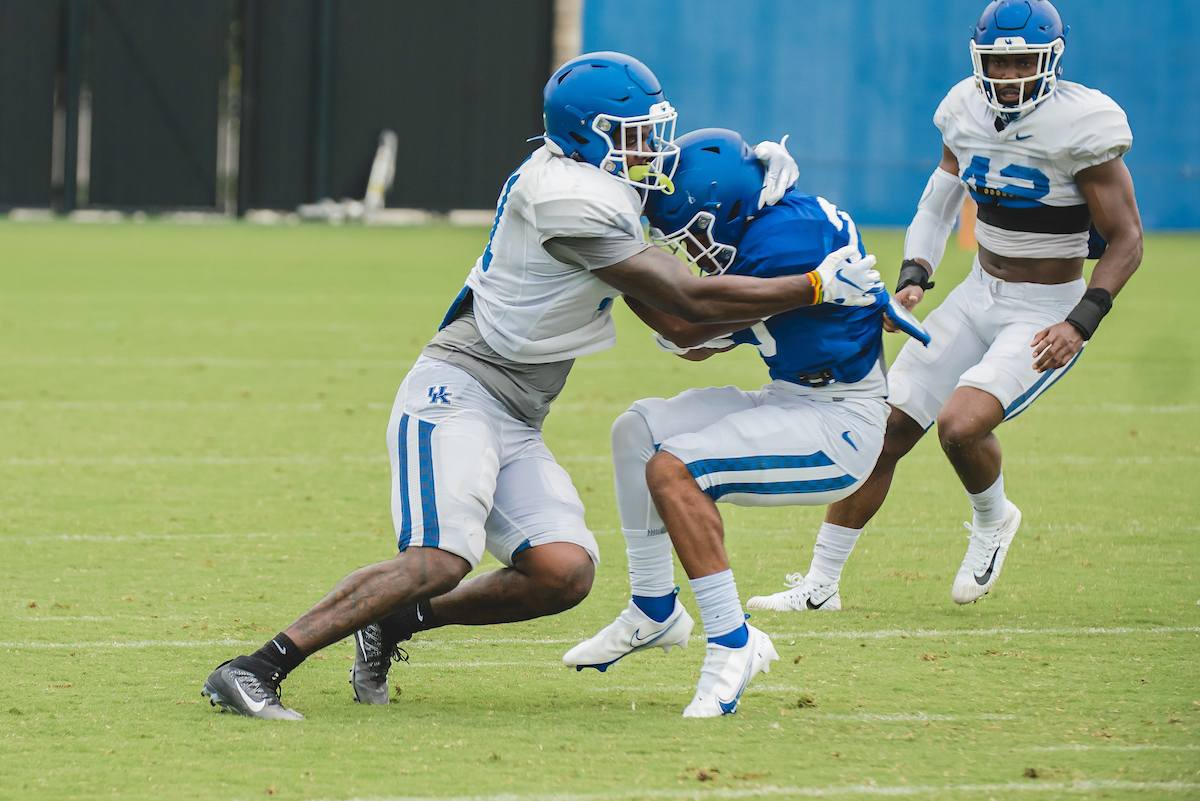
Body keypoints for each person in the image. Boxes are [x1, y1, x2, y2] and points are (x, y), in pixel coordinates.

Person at [200, 53, 884, 719]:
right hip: (459, 387)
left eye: (653, 132)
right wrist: (815, 285)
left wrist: (758, 178)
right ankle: (256, 667)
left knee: (563, 572)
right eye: (635, 135)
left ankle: (392, 623)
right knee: (438, 559)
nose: (651, 149)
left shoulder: (594, 176)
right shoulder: (567, 197)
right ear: (588, 137)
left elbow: (683, 234)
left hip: (518, 410)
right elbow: (685, 304)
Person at [748, 0, 1142, 613]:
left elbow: (1127, 239)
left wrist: (1079, 322)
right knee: (882, 430)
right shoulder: (963, 108)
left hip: (1044, 308)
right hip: (976, 293)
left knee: (960, 426)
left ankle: (993, 518)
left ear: (1052, 60)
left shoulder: (1081, 123)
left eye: (1024, 63)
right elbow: (939, 201)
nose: (1009, 77)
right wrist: (914, 276)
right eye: (998, 64)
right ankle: (820, 586)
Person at [563, 128, 920, 717]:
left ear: (726, 210)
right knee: (637, 431)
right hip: (792, 396)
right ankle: (654, 609)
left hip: (839, 426)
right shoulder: (776, 219)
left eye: (694, 236)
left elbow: (686, 330)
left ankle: (734, 641)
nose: (691, 254)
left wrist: (610, 263)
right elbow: (695, 341)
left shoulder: (782, 244)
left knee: (674, 471)